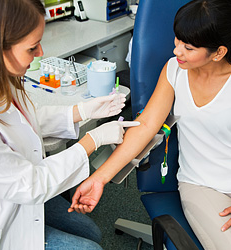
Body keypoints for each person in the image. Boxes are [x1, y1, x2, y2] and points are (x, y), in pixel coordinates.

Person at [0, 0, 140, 249]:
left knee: (90, 231)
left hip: (12, 190)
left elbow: (19, 119)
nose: (41, 52)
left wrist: (80, 111)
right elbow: (30, 184)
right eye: (32, 47)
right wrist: (91, 141)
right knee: (90, 247)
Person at [69, 0, 231, 249]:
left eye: (188, 47)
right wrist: (100, 178)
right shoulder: (175, 70)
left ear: (219, 52)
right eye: (177, 41)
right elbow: (145, 126)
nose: (177, 51)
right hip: (202, 185)